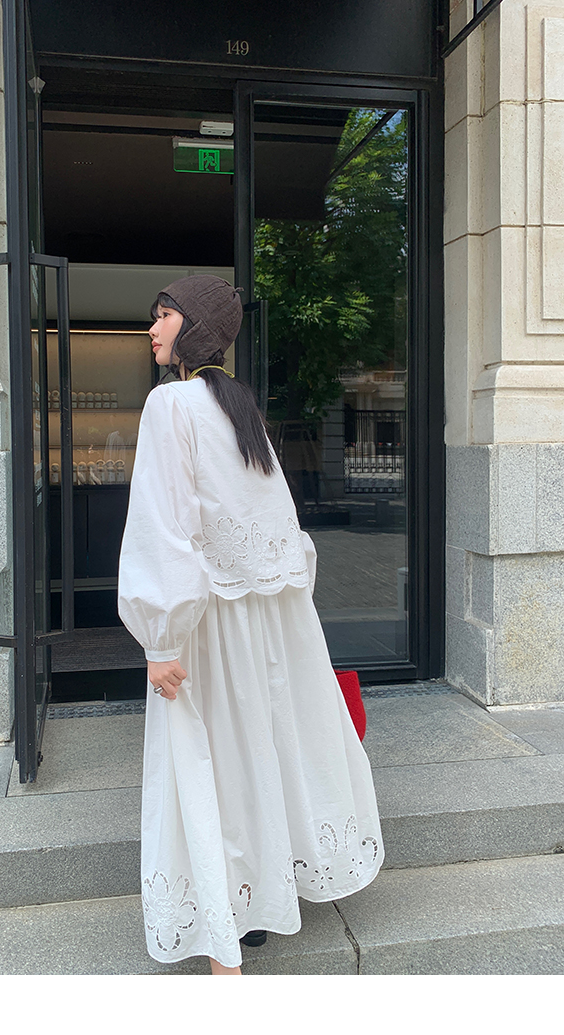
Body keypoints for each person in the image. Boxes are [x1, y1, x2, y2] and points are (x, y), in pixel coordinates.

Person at [117, 275, 384, 975]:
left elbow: (162, 525)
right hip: (260, 619)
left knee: (209, 763)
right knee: (259, 752)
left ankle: (225, 937)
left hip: (206, 624)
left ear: (195, 328)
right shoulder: (239, 408)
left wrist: (160, 636)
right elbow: (281, 523)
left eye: (165, 315)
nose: (153, 328)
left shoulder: (170, 403)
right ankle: (255, 904)